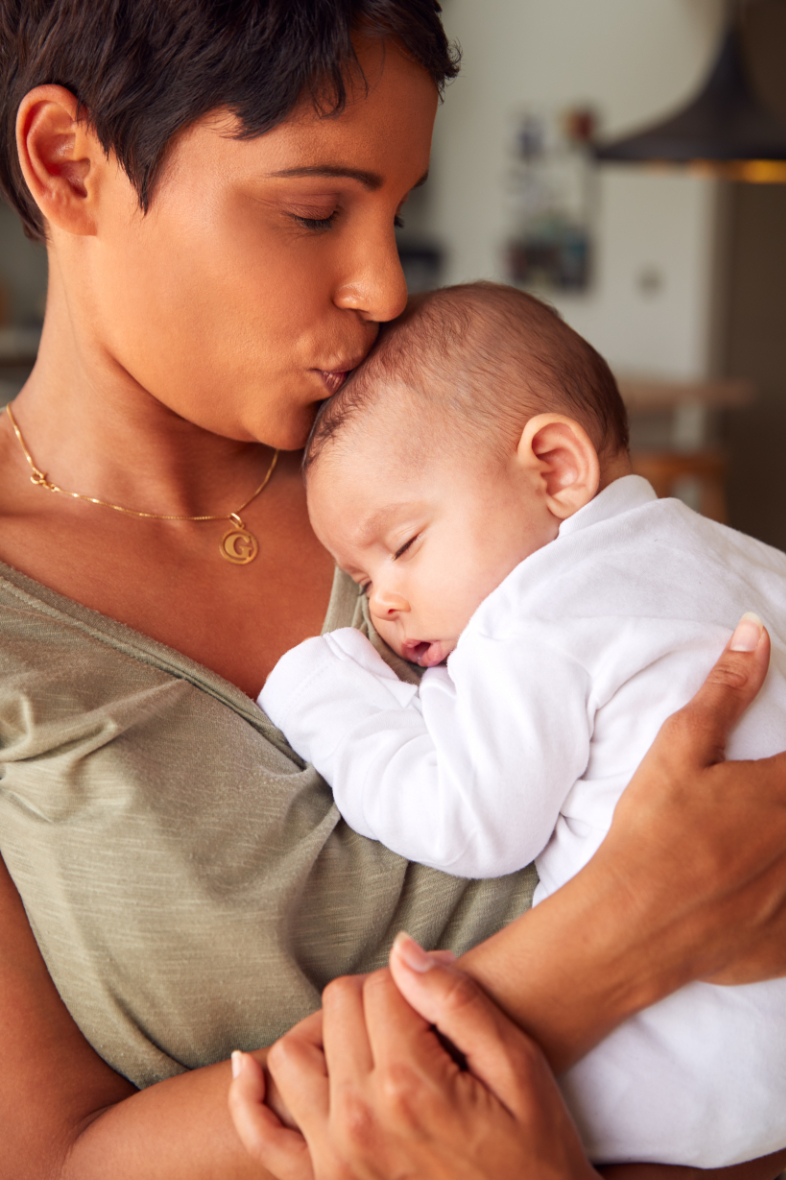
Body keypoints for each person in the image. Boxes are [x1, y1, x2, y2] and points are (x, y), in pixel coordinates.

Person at [1, 2, 786, 1177]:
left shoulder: (440, 474)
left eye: (398, 213)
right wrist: (623, 930)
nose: (382, 285)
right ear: (70, 162)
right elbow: (54, 1162)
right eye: (316, 211)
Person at [258, 282, 786, 1165]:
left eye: (403, 545)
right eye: (362, 579)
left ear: (553, 470)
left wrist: (323, 691)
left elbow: (469, 819)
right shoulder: (738, 554)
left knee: (392, 1106)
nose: (383, 603)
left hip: (695, 1070)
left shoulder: (542, 610)